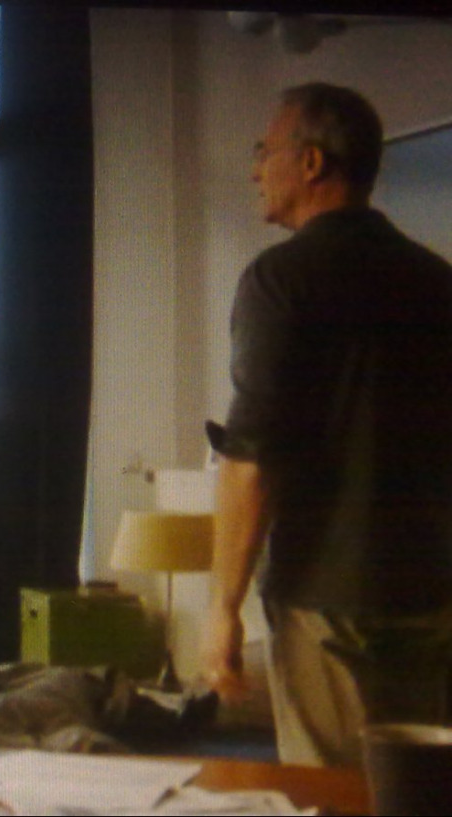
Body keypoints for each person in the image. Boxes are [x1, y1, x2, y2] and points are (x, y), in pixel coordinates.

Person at [201, 83, 452, 767]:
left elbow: (251, 461)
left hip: (329, 600)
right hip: (432, 596)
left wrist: (222, 610)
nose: (256, 169)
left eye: (264, 151)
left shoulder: (282, 279)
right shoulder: (438, 280)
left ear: (312, 163)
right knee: (415, 791)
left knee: (332, 796)